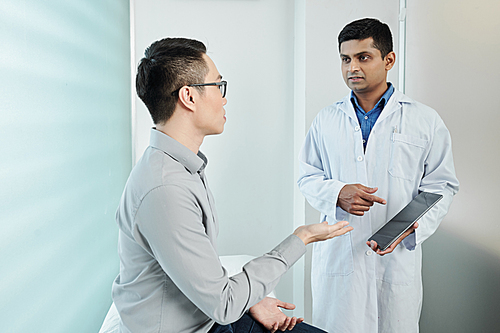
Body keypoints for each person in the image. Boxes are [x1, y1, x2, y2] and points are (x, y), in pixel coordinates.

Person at [111, 37, 352, 333]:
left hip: (208, 317)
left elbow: (203, 278)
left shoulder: (182, 166)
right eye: (218, 85)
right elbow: (224, 304)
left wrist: (249, 300)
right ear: (189, 97)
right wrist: (300, 238)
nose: (224, 98)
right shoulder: (165, 189)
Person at [297, 18, 459, 332]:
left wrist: (411, 228)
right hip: (340, 261)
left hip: (395, 260)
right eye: (346, 59)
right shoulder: (326, 119)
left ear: (389, 60)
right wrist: (338, 192)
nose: (351, 67)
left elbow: (442, 185)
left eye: (363, 57)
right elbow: (307, 176)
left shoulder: (424, 120)